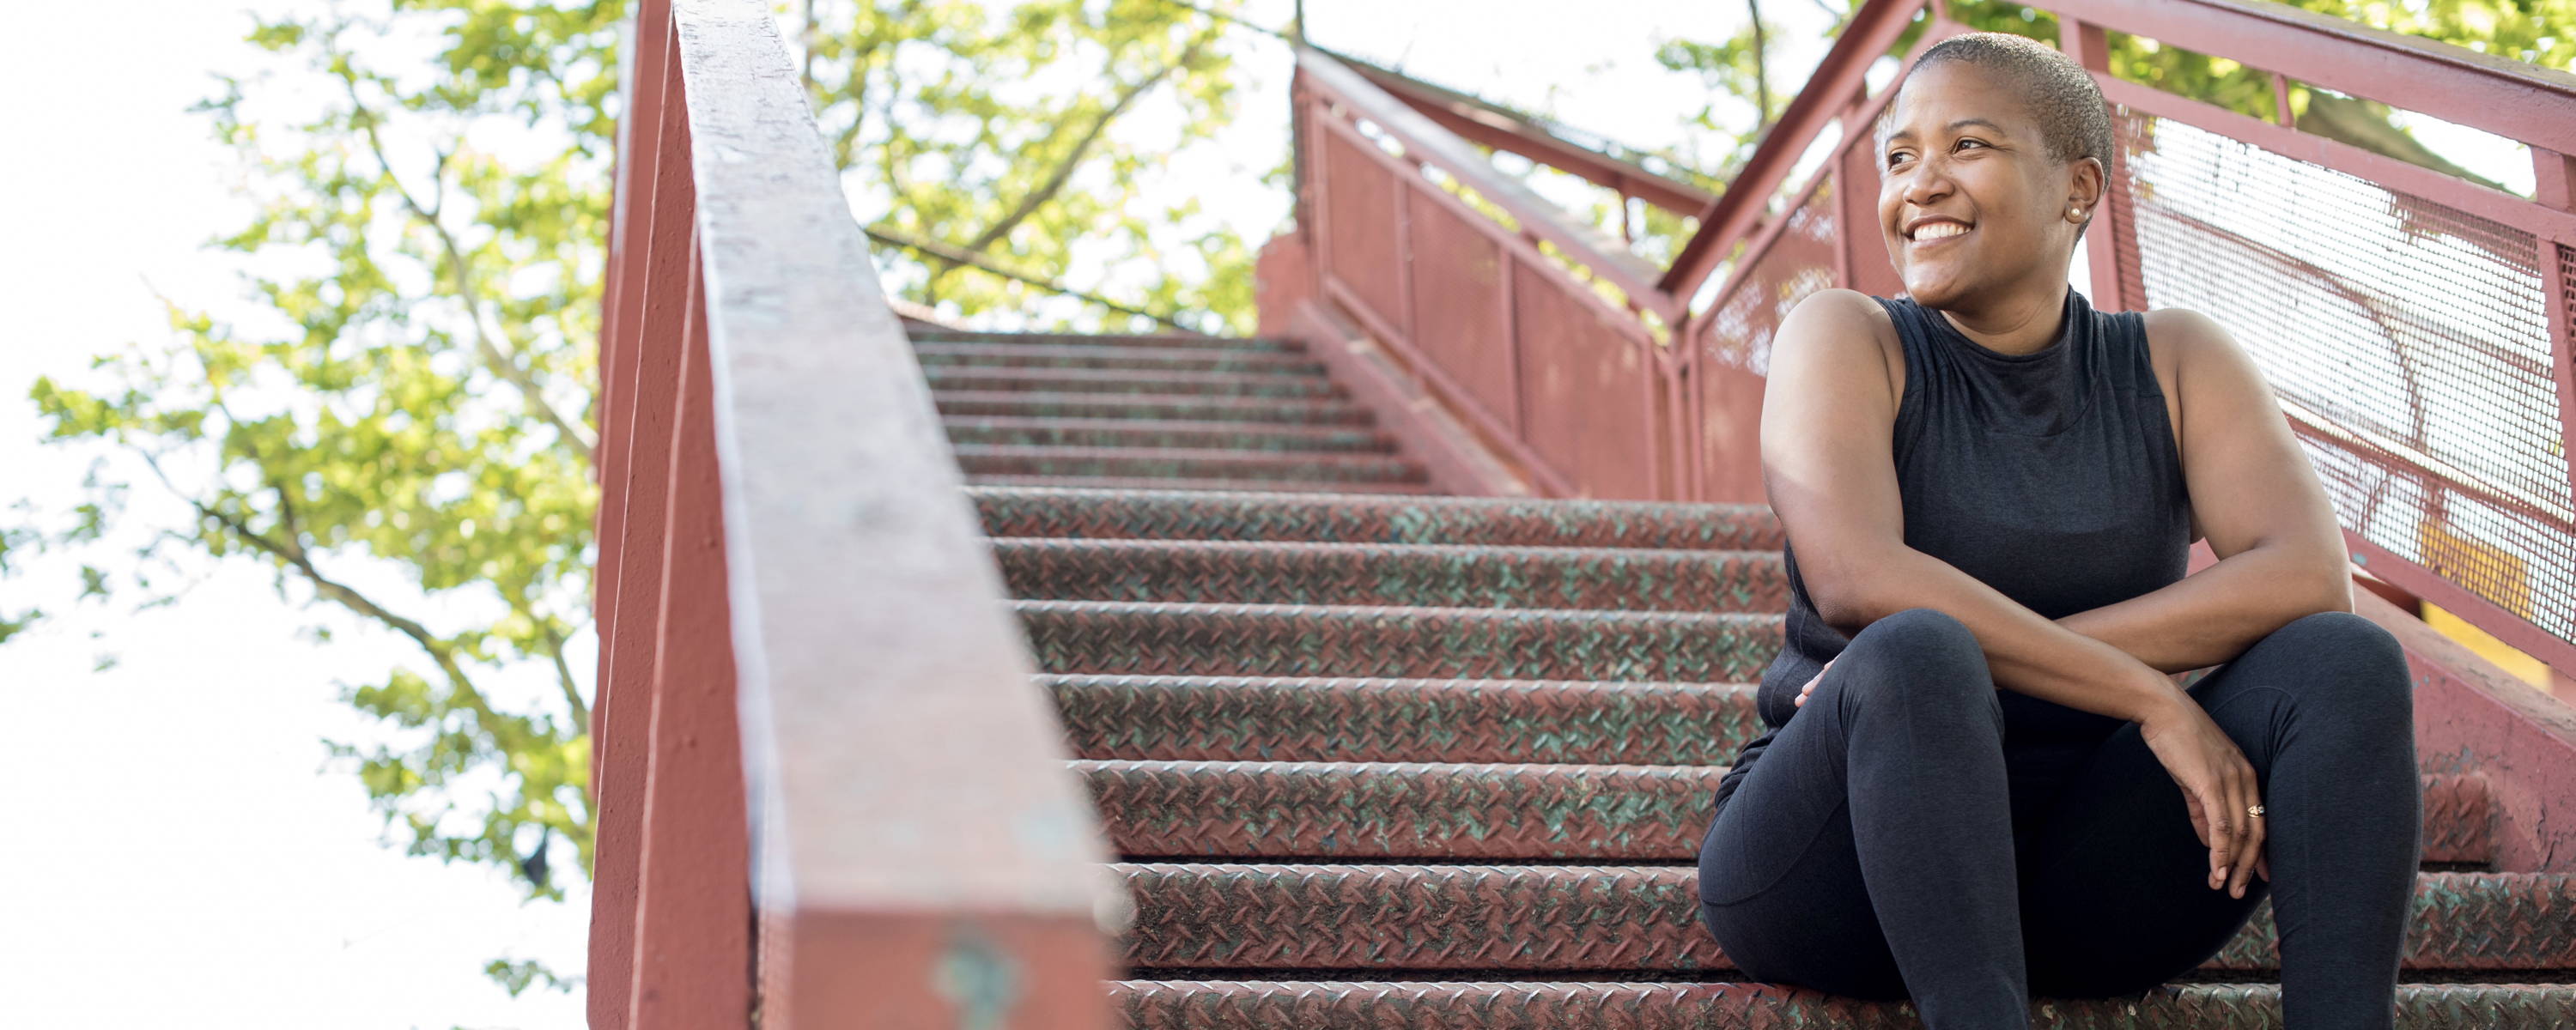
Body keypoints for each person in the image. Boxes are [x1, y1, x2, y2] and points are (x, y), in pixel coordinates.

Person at [1694, 30, 2422, 1028]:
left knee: (2345, 660)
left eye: (1967, 145)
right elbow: (1858, 578)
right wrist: (2146, 692)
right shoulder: (1845, 335)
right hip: (1847, 867)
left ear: (2078, 188)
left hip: (2094, 871)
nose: (1920, 184)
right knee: (1914, 650)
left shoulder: (2175, 361)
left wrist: (2016, 664)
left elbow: (2306, 576)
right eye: (1900, 158)